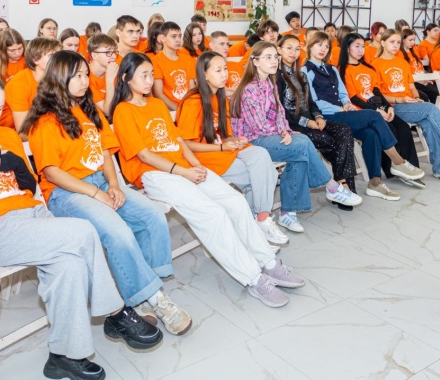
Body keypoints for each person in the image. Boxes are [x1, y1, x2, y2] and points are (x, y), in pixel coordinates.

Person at [0, 71, 124, 380]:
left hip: (31, 217)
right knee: (84, 230)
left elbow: (28, 186)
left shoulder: (7, 136)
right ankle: (116, 312)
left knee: (70, 266)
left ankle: (65, 356)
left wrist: (18, 164)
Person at [111, 52, 305, 308]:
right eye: (143, 75)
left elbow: (178, 141)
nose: (149, 81)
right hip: (154, 173)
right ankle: (253, 278)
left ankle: (268, 262)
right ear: (126, 78)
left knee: (235, 202)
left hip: (182, 166)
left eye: (151, 74)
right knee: (213, 214)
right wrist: (184, 172)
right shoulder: (123, 111)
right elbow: (145, 155)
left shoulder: (156, 105)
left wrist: (196, 165)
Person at [23, 51, 187, 337]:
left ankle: (141, 294)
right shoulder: (45, 121)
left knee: (151, 216)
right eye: (77, 76)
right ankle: (156, 298)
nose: (85, 81)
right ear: (59, 78)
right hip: (67, 192)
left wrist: (113, 185)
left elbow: (106, 155)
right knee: (118, 232)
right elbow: (52, 173)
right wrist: (95, 193)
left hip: (100, 182)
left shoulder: (90, 111)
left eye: (86, 75)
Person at [231, 42, 360, 231]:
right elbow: (259, 126)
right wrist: (283, 133)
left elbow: (279, 114)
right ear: (255, 61)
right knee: (302, 144)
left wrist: (285, 130)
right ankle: (331, 186)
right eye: (268, 57)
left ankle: (288, 214)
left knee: (299, 154)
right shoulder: (249, 89)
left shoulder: (269, 84)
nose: (274, 61)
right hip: (252, 141)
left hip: (269, 135)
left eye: (275, 57)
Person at [176, 51, 288, 245]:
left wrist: (236, 139)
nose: (224, 74)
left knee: (261, 155)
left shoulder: (219, 96)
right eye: (218, 70)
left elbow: (224, 134)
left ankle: (256, 222)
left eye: (225, 69)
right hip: (204, 156)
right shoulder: (193, 102)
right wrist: (222, 147)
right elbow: (186, 144)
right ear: (204, 74)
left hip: (223, 150)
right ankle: (258, 223)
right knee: (263, 176)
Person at [303, 32, 426, 188]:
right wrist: (340, 108)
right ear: (310, 46)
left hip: (343, 112)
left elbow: (343, 93)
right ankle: (398, 161)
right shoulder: (306, 70)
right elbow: (313, 101)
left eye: (326, 46)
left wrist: (347, 104)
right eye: (319, 45)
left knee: (371, 134)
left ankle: (375, 182)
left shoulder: (331, 69)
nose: (323, 49)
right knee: (374, 116)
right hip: (327, 115)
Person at [366, 30, 440, 183]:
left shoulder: (402, 62)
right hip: (394, 106)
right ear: (382, 43)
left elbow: (412, 87)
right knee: (431, 109)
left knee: (429, 123)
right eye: (391, 42)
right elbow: (378, 95)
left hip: (410, 104)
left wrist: (416, 98)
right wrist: (400, 100)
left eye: (398, 42)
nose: (395, 45)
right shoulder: (375, 65)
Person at [276, 36, 375, 201]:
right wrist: (307, 122)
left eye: (297, 49)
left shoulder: (299, 74)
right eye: (289, 48)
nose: (293, 52)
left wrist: (318, 116)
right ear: (279, 50)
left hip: (311, 119)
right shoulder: (276, 76)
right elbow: (282, 111)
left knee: (344, 130)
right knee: (333, 141)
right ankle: (344, 188)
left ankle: (342, 185)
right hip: (294, 124)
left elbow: (311, 102)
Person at [7, 38, 62, 132]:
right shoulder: (19, 84)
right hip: (9, 133)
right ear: (35, 59)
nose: (59, 59)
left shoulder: (57, 78)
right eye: (52, 55)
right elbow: (23, 131)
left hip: (40, 128)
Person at [152, 22, 196, 110]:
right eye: (173, 36)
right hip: (168, 109)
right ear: (163, 38)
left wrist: (188, 108)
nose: (178, 40)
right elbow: (159, 94)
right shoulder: (155, 61)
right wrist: (178, 110)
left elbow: (191, 89)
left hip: (187, 106)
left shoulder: (188, 60)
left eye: (179, 36)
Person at [86, 33, 119, 117]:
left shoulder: (114, 69)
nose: (114, 56)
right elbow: (107, 111)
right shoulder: (86, 77)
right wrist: (110, 80)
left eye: (114, 52)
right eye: (108, 52)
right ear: (94, 55)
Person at [208, 30, 243, 95]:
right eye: (222, 44)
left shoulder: (237, 65)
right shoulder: (208, 67)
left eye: (227, 44)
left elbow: (246, 85)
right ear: (211, 45)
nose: (226, 47)